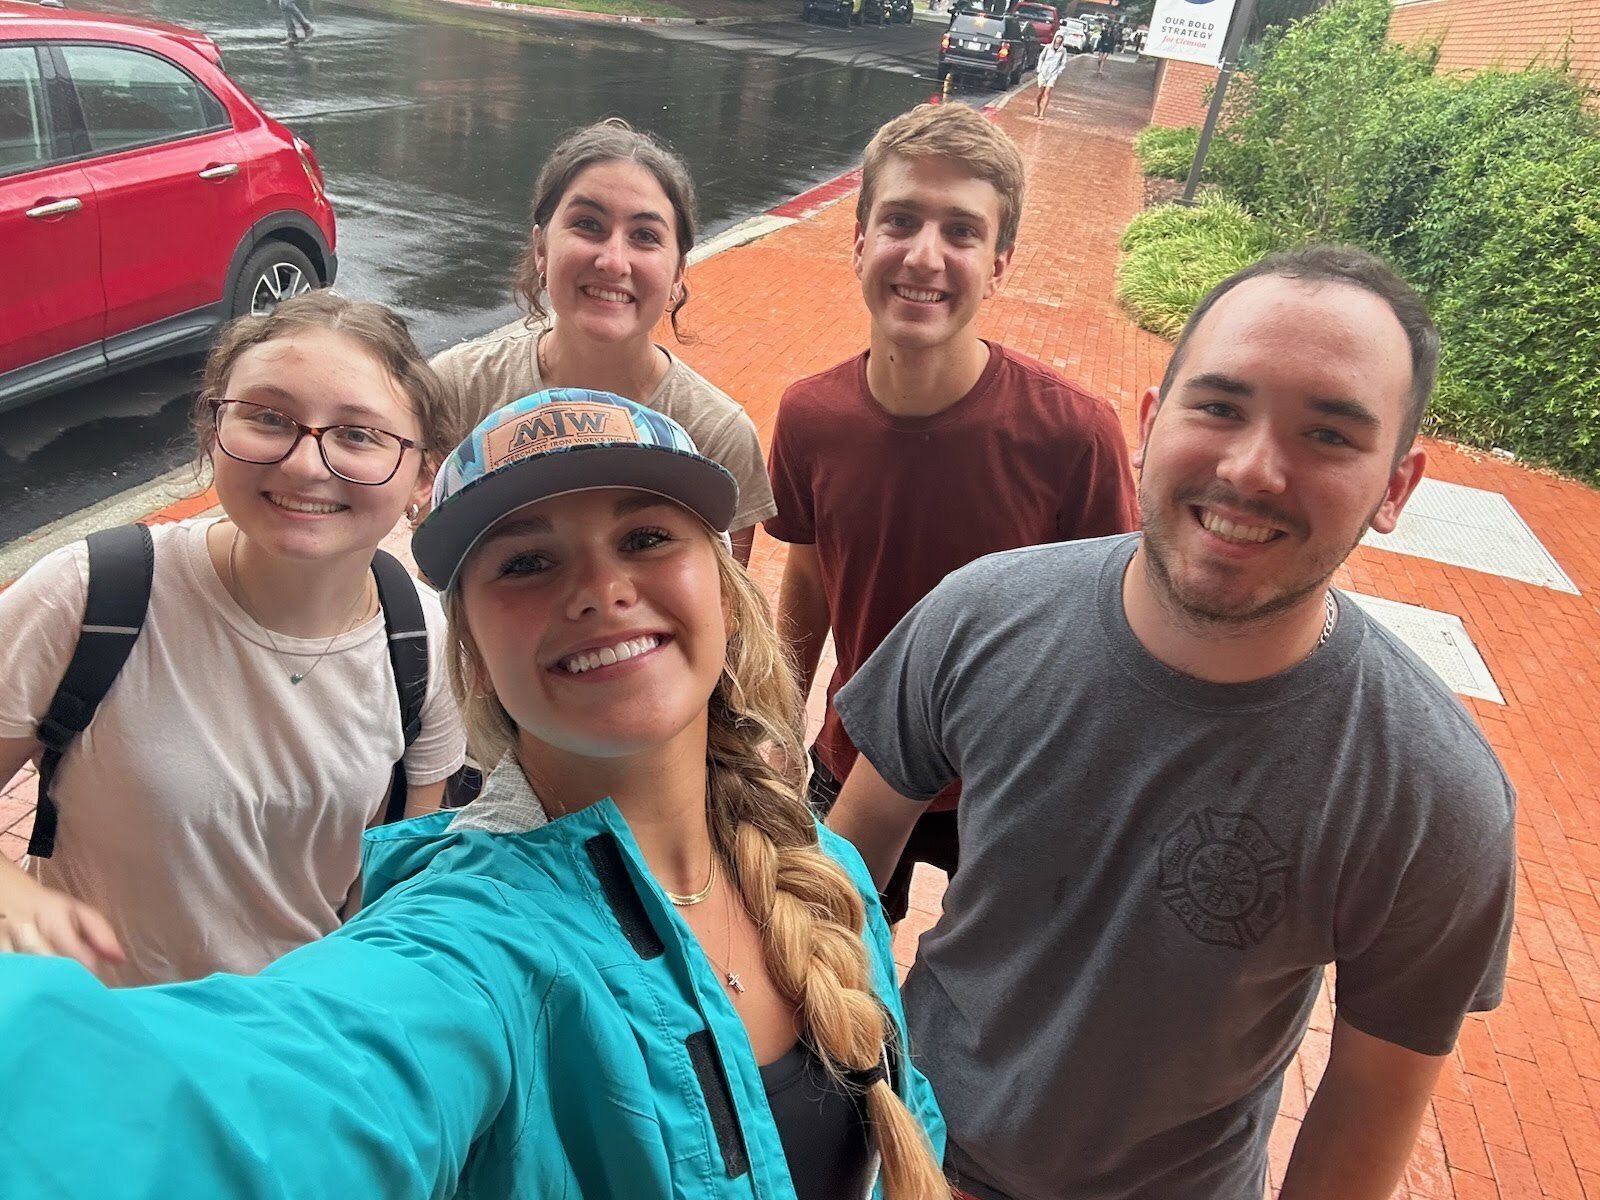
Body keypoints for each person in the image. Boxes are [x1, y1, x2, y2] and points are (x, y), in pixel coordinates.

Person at [0, 390, 950, 1200]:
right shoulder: (466, 948)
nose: (600, 588)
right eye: (527, 562)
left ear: (725, 592)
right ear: (476, 661)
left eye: (647, 536)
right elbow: (225, 1109)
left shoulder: (825, 875)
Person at [826, 245, 1517, 1200]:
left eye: (1329, 435)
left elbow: (1367, 1106)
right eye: (1220, 407)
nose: (1254, 469)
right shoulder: (980, 619)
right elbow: (839, 884)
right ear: (1151, 423)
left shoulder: (1432, 795)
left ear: (1396, 488)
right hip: (907, 1161)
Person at [0, 292, 468, 986]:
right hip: (97, 1042)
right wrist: (17, 900)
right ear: (213, 425)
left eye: (359, 435)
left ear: (422, 476)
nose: (307, 464)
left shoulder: (423, 643)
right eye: (269, 418)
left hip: (283, 1051)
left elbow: (395, 885)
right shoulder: (93, 595)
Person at [765, 103, 1137, 928]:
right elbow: (810, 580)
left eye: (962, 232)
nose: (925, 255)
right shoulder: (810, 417)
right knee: (825, 983)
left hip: (1008, 788)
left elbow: (1115, 629)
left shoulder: (1072, 433)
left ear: (1000, 263)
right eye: (900, 220)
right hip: (850, 757)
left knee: (994, 1011)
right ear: (859, 241)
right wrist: (776, 728)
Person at [430, 119, 776, 567]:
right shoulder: (458, 389)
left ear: (678, 274)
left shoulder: (715, 434)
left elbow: (723, 614)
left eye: (645, 236)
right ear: (541, 248)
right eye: (588, 224)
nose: (613, 261)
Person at [1033, 28, 1069, 119]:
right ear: (1055, 38)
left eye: (1061, 38)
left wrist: (1059, 71)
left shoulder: (1063, 51)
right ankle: (1037, 107)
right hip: (1043, 72)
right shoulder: (1048, 47)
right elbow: (1041, 57)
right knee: (1040, 92)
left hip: (1053, 74)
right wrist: (1039, 68)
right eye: (1058, 37)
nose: (1059, 39)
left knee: (1047, 92)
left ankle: (1042, 113)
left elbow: (1063, 63)